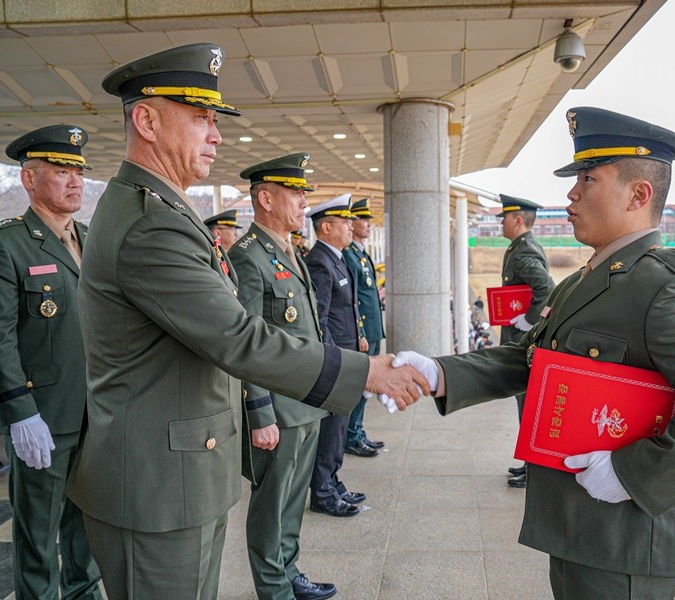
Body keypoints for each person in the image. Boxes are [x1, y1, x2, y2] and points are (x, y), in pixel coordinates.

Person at [65, 43, 426, 599]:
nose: (216, 135)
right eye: (201, 119)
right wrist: (365, 373)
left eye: (215, 121)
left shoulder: (164, 209)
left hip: (180, 472)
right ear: (147, 120)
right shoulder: (150, 223)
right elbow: (238, 336)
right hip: (157, 484)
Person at [393, 106, 675, 600]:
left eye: (588, 179)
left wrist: (631, 474)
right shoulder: (583, 281)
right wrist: (437, 372)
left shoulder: (668, 287)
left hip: (626, 541)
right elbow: (528, 362)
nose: (571, 194)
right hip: (579, 525)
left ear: (640, 194)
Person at [0, 125, 102, 599]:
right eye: (62, 171)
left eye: (79, 172)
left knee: (87, 539)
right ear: (29, 178)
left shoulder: (89, 239)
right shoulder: (3, 245)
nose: (75, 181)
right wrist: (20, 413)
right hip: (43, 416)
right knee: (39, 543)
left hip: (97, 414)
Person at [230, 153, 336, 600]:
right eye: (295, 194)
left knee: (292, 499)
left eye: (303, 194)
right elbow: (245, 342)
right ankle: (272, 587)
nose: (303, 204)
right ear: (266, 198)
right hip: (276, 407)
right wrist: (260, 413)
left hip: (305, 401)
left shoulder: (290, 251)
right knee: (272, 503)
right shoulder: (249, 257)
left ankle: (289, 571)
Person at [305, 194, 368, 517]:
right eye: (344, 223)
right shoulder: (319, 261)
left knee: (340, 427)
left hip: (348, 352)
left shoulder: (338, 258)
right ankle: (323, 492)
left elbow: (348, 307)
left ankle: (332, 479)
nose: (350, 227)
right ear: (326, 227)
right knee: (332, 428)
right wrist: (336, 360)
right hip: (336, 359)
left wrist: (358, 337)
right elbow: (320, 317)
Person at [495, 193, 555, 488]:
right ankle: (531, 464)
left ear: (518, 219)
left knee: (529, 405)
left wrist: (529, 320)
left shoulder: (523, 250)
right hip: (521, 337)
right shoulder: (520, 246)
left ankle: (535, 469)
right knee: (526, 404)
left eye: (504, 218)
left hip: (524, 339)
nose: (501, 223)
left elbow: (546, 289)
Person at [342, 198, 385, 458]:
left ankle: (358, 431)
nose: (369, 224)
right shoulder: (349, 255)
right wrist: (359, 333)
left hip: (372, 329)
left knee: (366, 386)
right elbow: (353, 299)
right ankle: (351, 435)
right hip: (363, 332)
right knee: (360, 385)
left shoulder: (360, 252)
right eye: (363, 219)